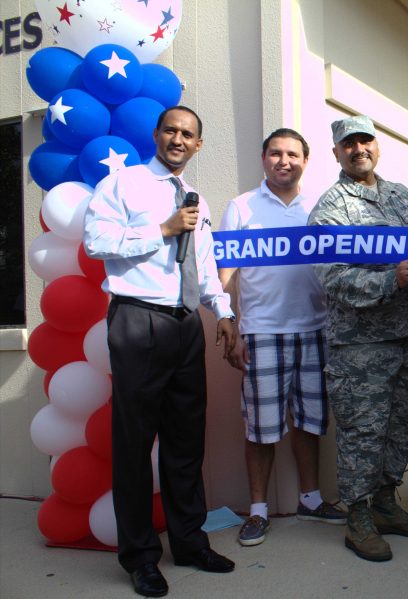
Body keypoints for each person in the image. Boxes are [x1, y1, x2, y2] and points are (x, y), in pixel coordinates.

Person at [83, 106, 237, 598]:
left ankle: (189, 543)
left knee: (186, 439)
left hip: (186, 322)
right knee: (133, 445)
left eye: (188, 134)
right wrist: (162, 230)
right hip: (138, 320)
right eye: (170, 130)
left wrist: (224, 312)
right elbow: (95, 241)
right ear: (156, 135)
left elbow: (205, 262)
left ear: (198, 145)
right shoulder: (124, 184)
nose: (178, 138)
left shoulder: (196, 196)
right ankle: (141, 558)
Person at [307, 115, 408, 562]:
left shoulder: (401, 195)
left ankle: (385, 502)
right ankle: (358, 516)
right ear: (337, 153)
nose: (358, 148)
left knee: (400, 426)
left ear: (376, 146)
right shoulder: (330, 209)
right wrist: (391, 282)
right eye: (349, 144)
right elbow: (334, 278)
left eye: (365, 141)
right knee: (363, 433)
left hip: (406, 336)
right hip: (359, 345)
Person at [218, 128, 347, 548]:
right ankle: (257, 510)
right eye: (276, 153)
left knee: (310, 421)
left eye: (293, 154)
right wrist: (228, 320)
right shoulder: (241, 208)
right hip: (261, 332)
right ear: (263, 158)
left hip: (316, 329)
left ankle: (310, 499)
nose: (284, 160)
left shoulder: (320, 206)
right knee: (261, 427)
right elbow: (225, 272)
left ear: (305, 161)